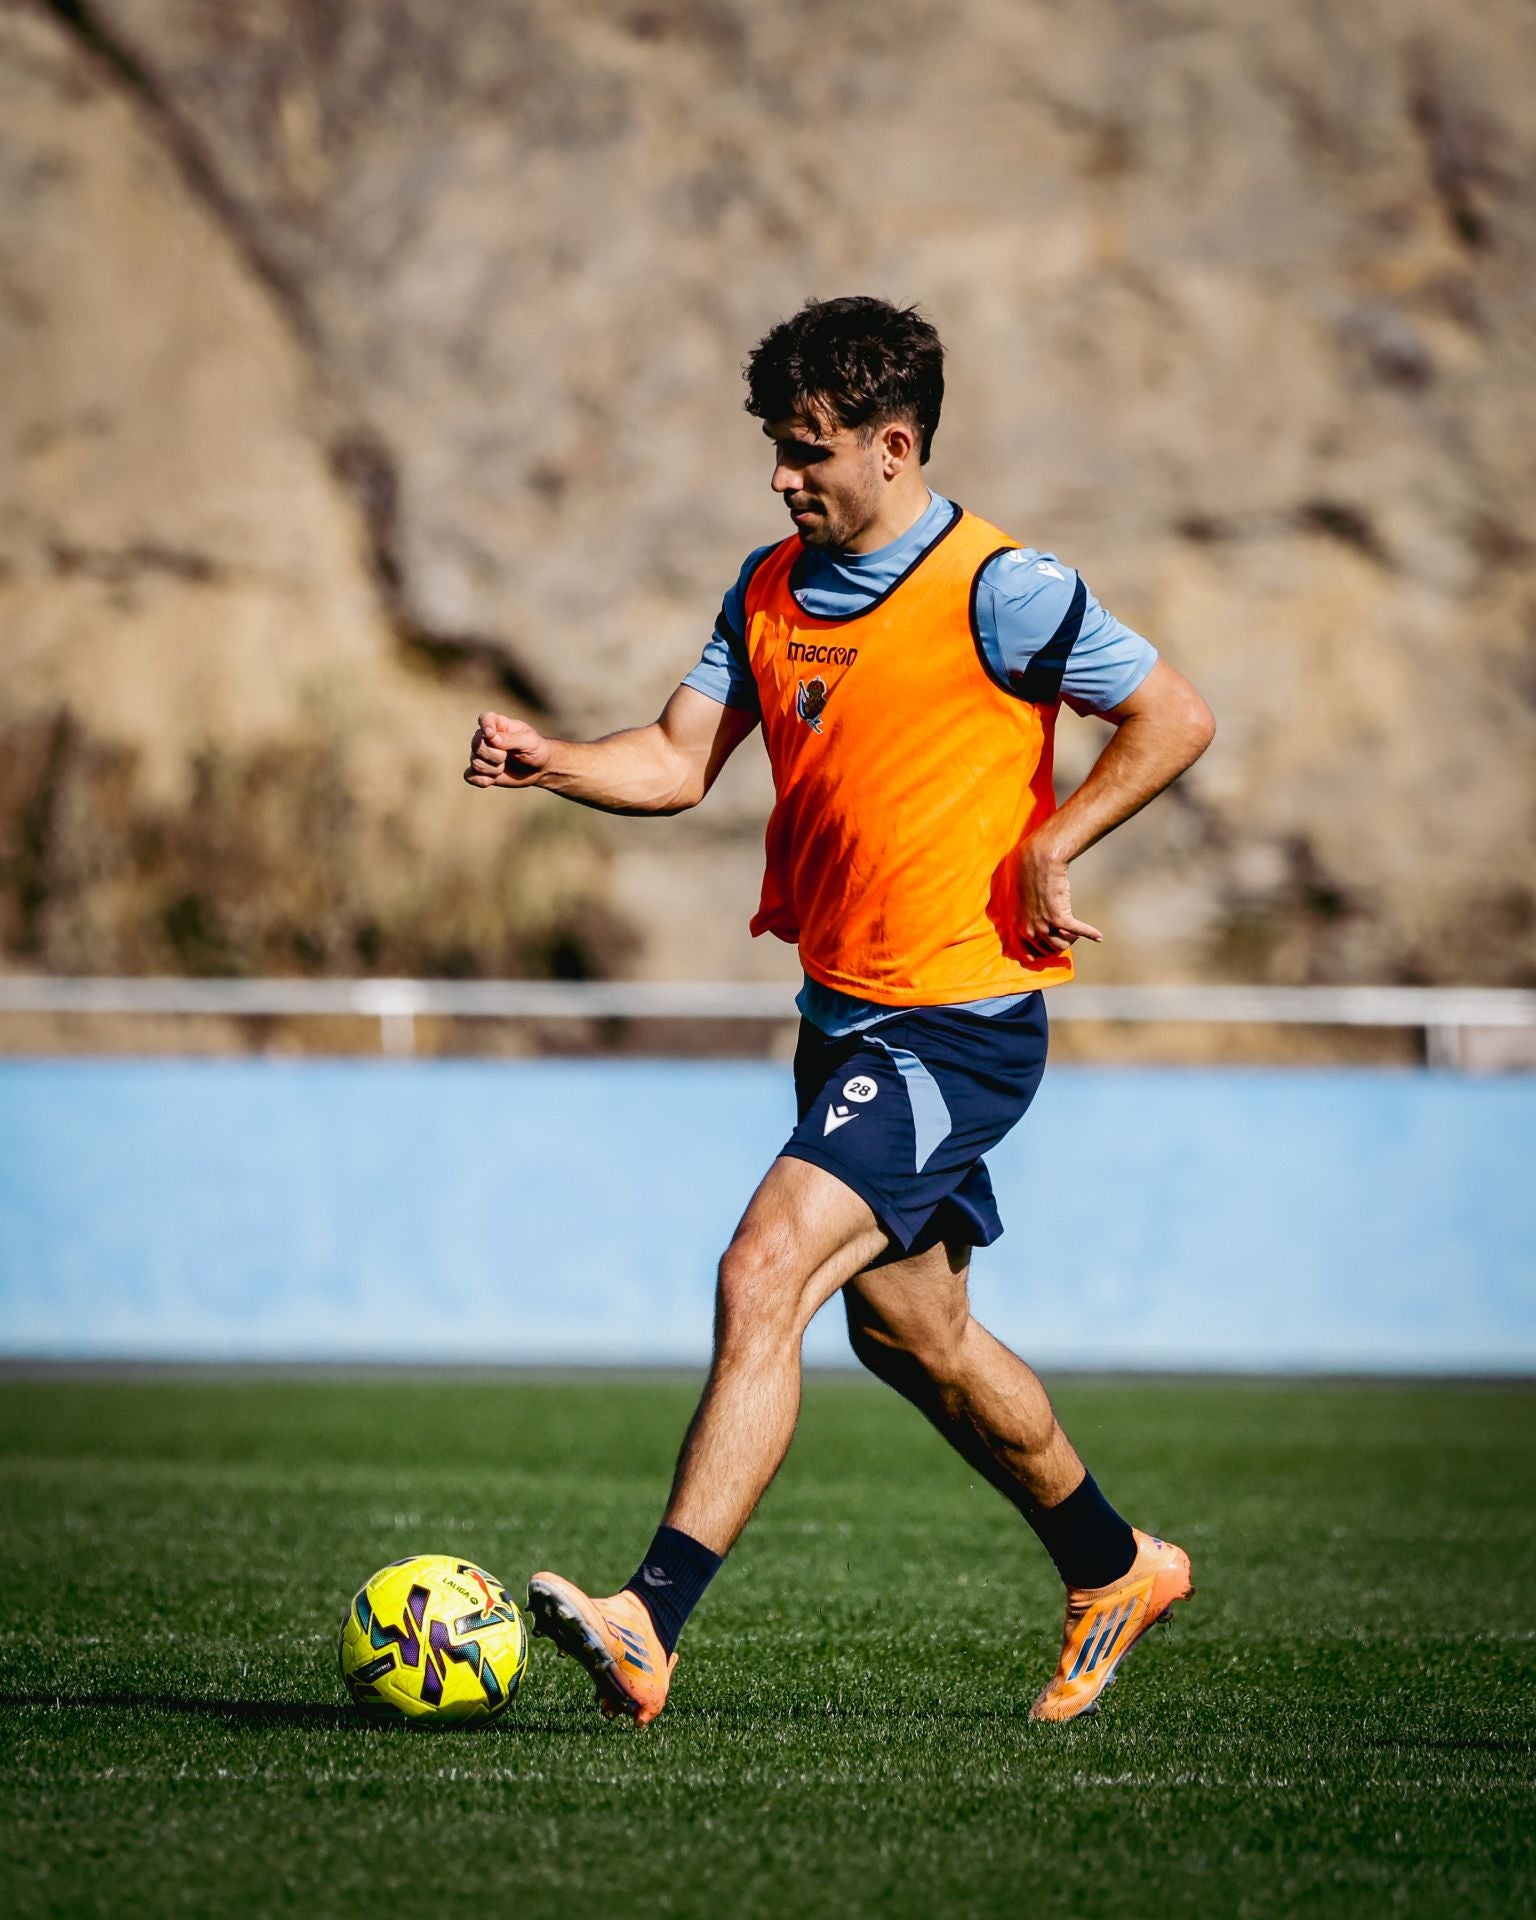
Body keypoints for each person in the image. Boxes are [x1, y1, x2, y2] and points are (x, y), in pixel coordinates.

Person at [464, 296, 1215, 1725]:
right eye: (774, 445)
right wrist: (550, 758)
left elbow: (1174, 716)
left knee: (764, 1270)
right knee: (913, 1337)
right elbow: (674, 762)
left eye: (807, 449)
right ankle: (1115, 1566)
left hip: (958, 1027)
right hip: (842, 1019)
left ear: (894, 444)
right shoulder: (765, 587)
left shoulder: (1004, 588)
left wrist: (1056, 840)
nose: (780, 476)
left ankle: (649, 1619)